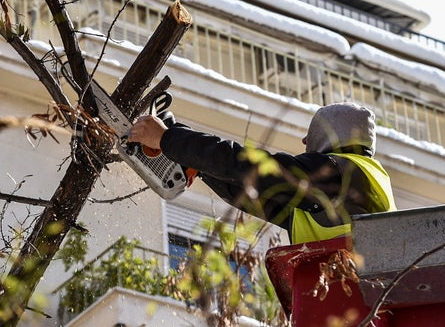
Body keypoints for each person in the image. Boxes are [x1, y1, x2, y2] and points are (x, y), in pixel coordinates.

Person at [127, 102, 396, 244]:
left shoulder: (346, 175)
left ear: (328, 136)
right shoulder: (321, 202)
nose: (304, 142)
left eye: (311, 133)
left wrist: (169, 139)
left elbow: (252, 169)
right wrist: (196, 161)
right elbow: (248, 192)